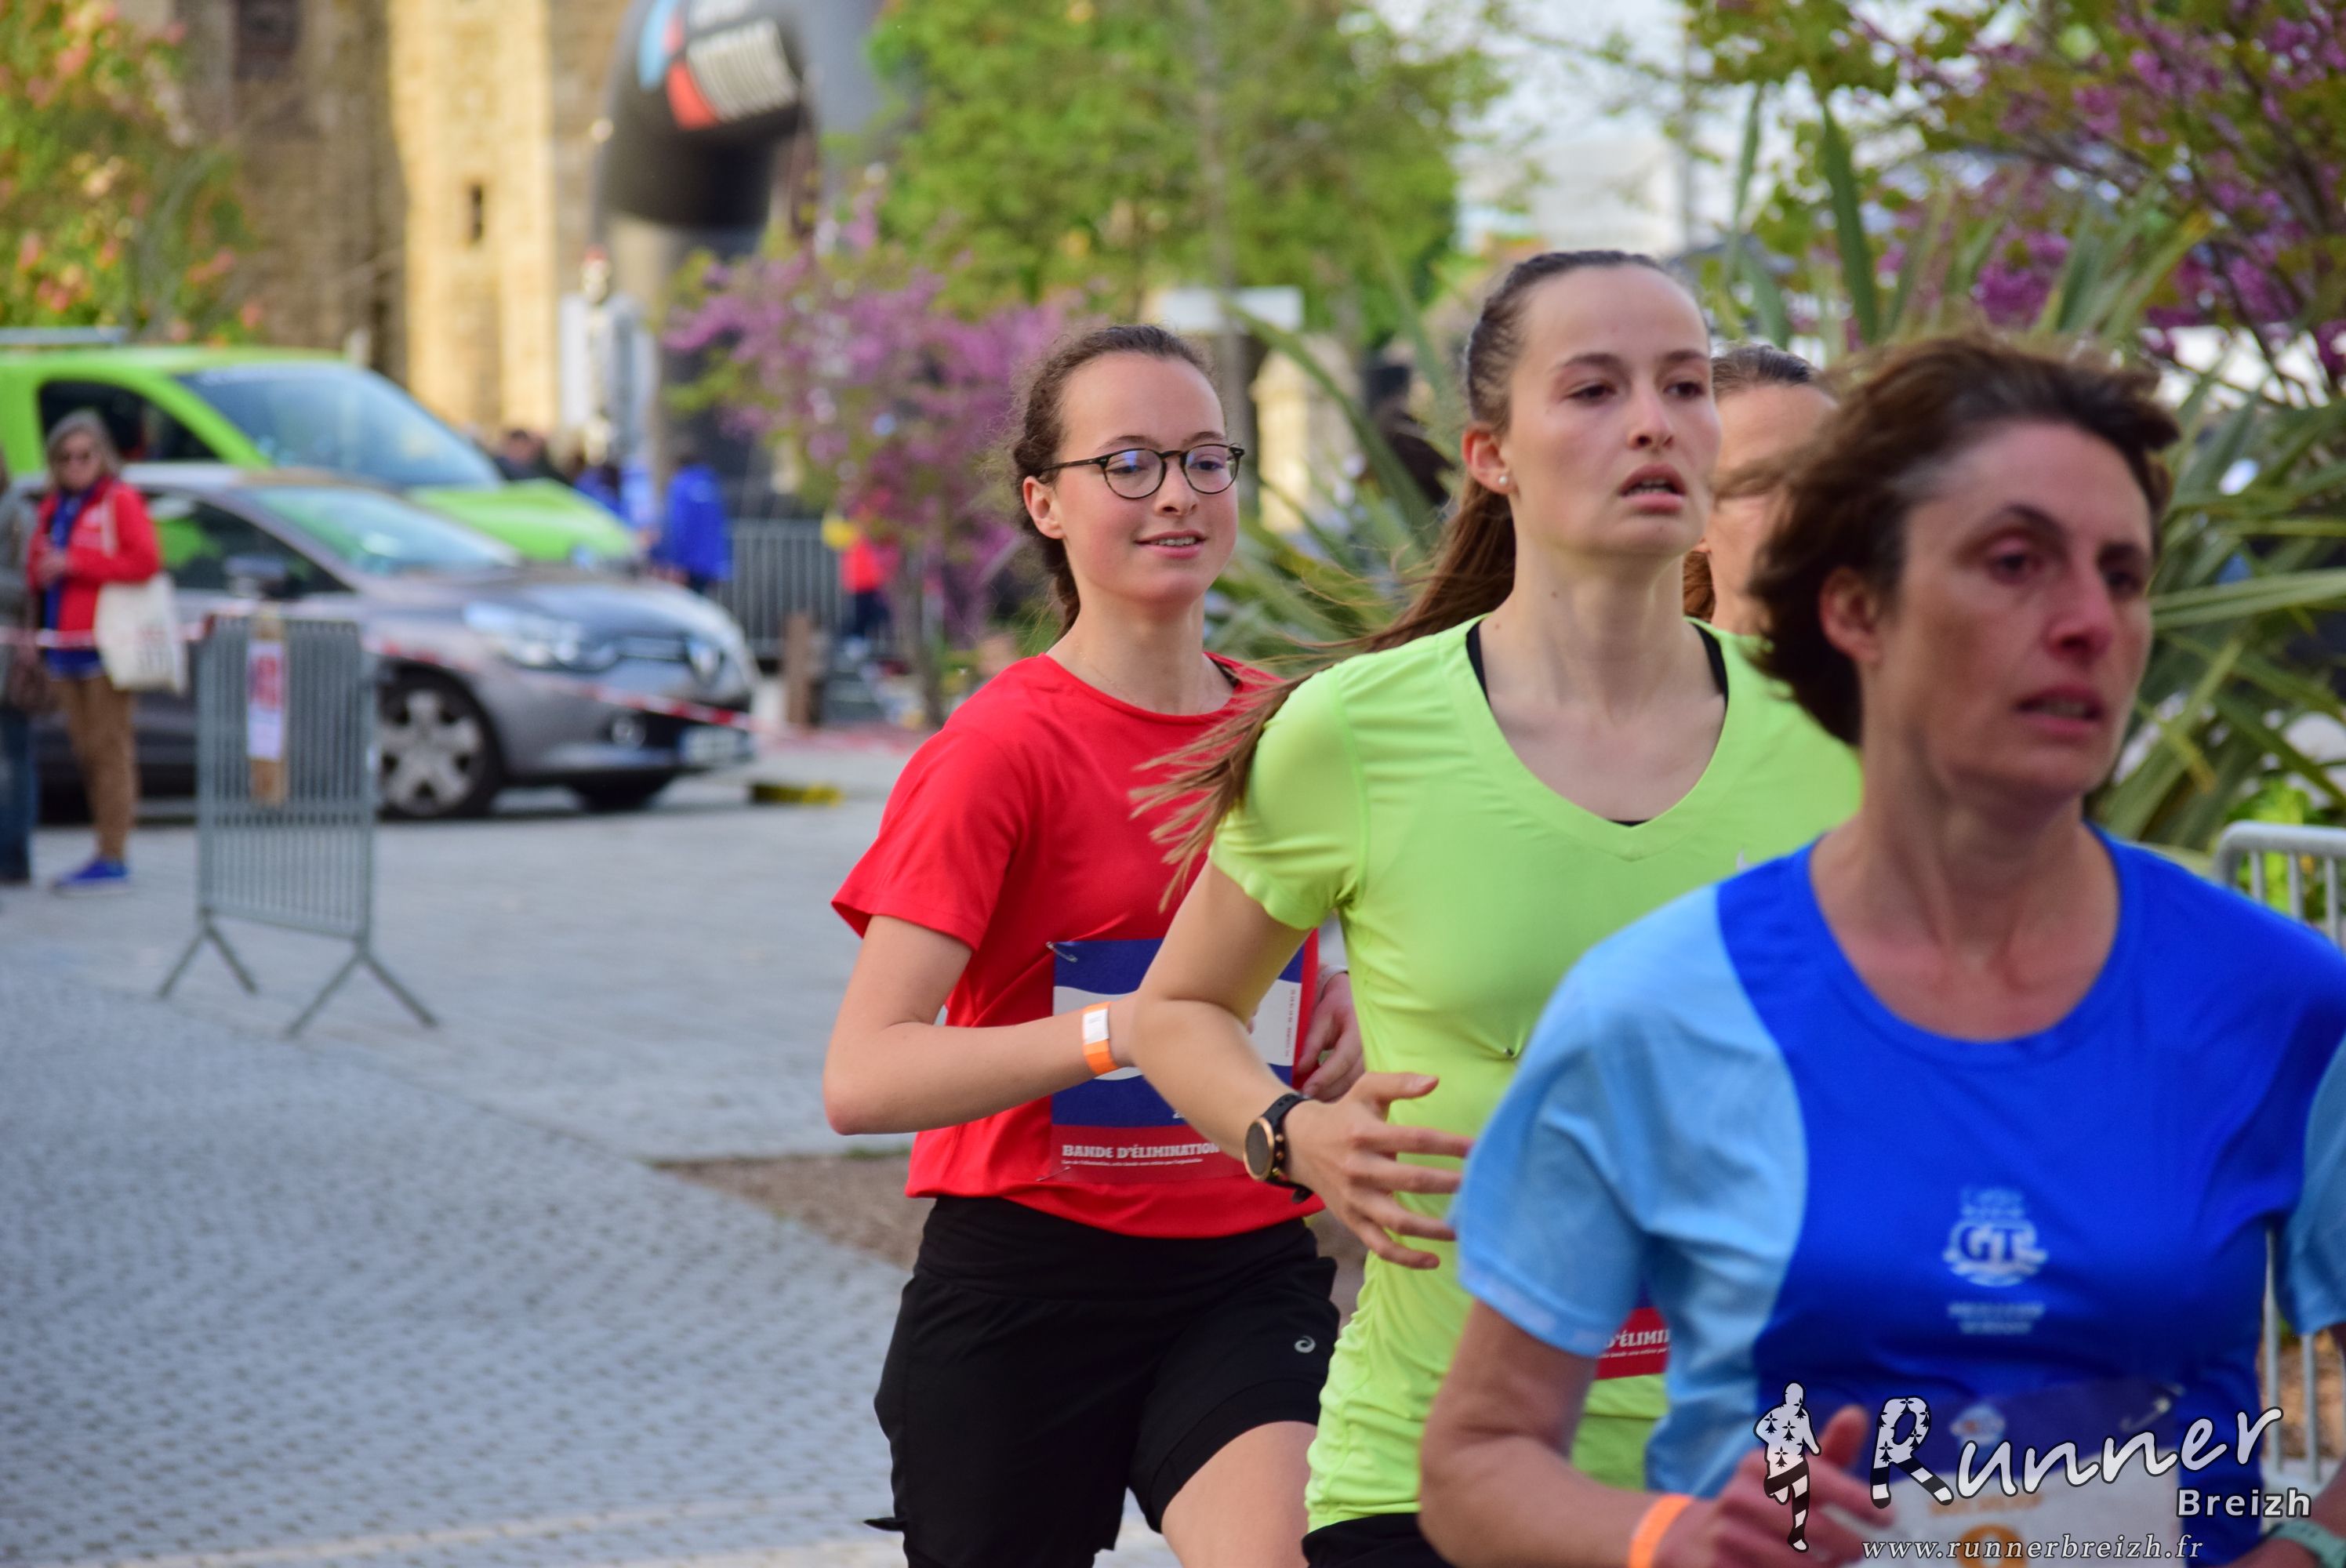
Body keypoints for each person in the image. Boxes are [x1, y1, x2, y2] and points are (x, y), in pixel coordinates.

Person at [1419, 337, 2346, 1568]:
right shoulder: (1662, 1003)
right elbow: (1475, 1461)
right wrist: (1669, 1538)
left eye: (2122, 575)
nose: (2087, 622)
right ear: (1857, 608)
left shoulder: (2281, 999)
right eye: (2013, 563)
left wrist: (2302, 1550)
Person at [1127, 252, 1863, 1567]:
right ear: (1490, 455)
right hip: (1430, 1481)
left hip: (1764, 1478)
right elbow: (1178, 1009)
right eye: (1593, 390)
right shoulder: (1353, 733)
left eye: (1683, 386)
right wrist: (1295, 1135)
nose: (1653, 423)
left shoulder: (1834, 736)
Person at [826, 324, 1367, 1568]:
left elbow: (1298, 946)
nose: (1176, 492)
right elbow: (864, 1076)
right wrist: (1125, 1033)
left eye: (1204, 459)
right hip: (1025, 1286)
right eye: (1128, 464)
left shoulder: (1288, 733)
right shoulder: (997, 751)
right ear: (1045, 503)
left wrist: (1336, 993)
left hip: (1241, 1272)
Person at [27, 411, 159, 895]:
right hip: (65, 646)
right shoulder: (53, 507)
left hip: (108, 645)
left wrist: (77, 563)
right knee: (85, 752)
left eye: (85, 456)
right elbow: (37, 567)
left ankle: (113, 854)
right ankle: (103, 847)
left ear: (103, 456)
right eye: (65, 458)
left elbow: (145, 560)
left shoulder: (118, 500)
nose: (76, 465)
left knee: (110, 751)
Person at [1683, 343, 1833, 633]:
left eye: (1834, 472)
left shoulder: (1911, 654)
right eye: (1765, 482)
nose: (1813, 503)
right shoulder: (1666, 662)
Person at [0, 452, 38, 889]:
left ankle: (13, 857)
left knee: (13, 759)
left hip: (9, 660)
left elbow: (28, 585)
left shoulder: (18, 515)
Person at [652, 441, 731, 595]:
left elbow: (677, 525)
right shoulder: (711, 484)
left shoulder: (681, 485)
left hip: (687, 563)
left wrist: (672, 561)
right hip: (710, 561)